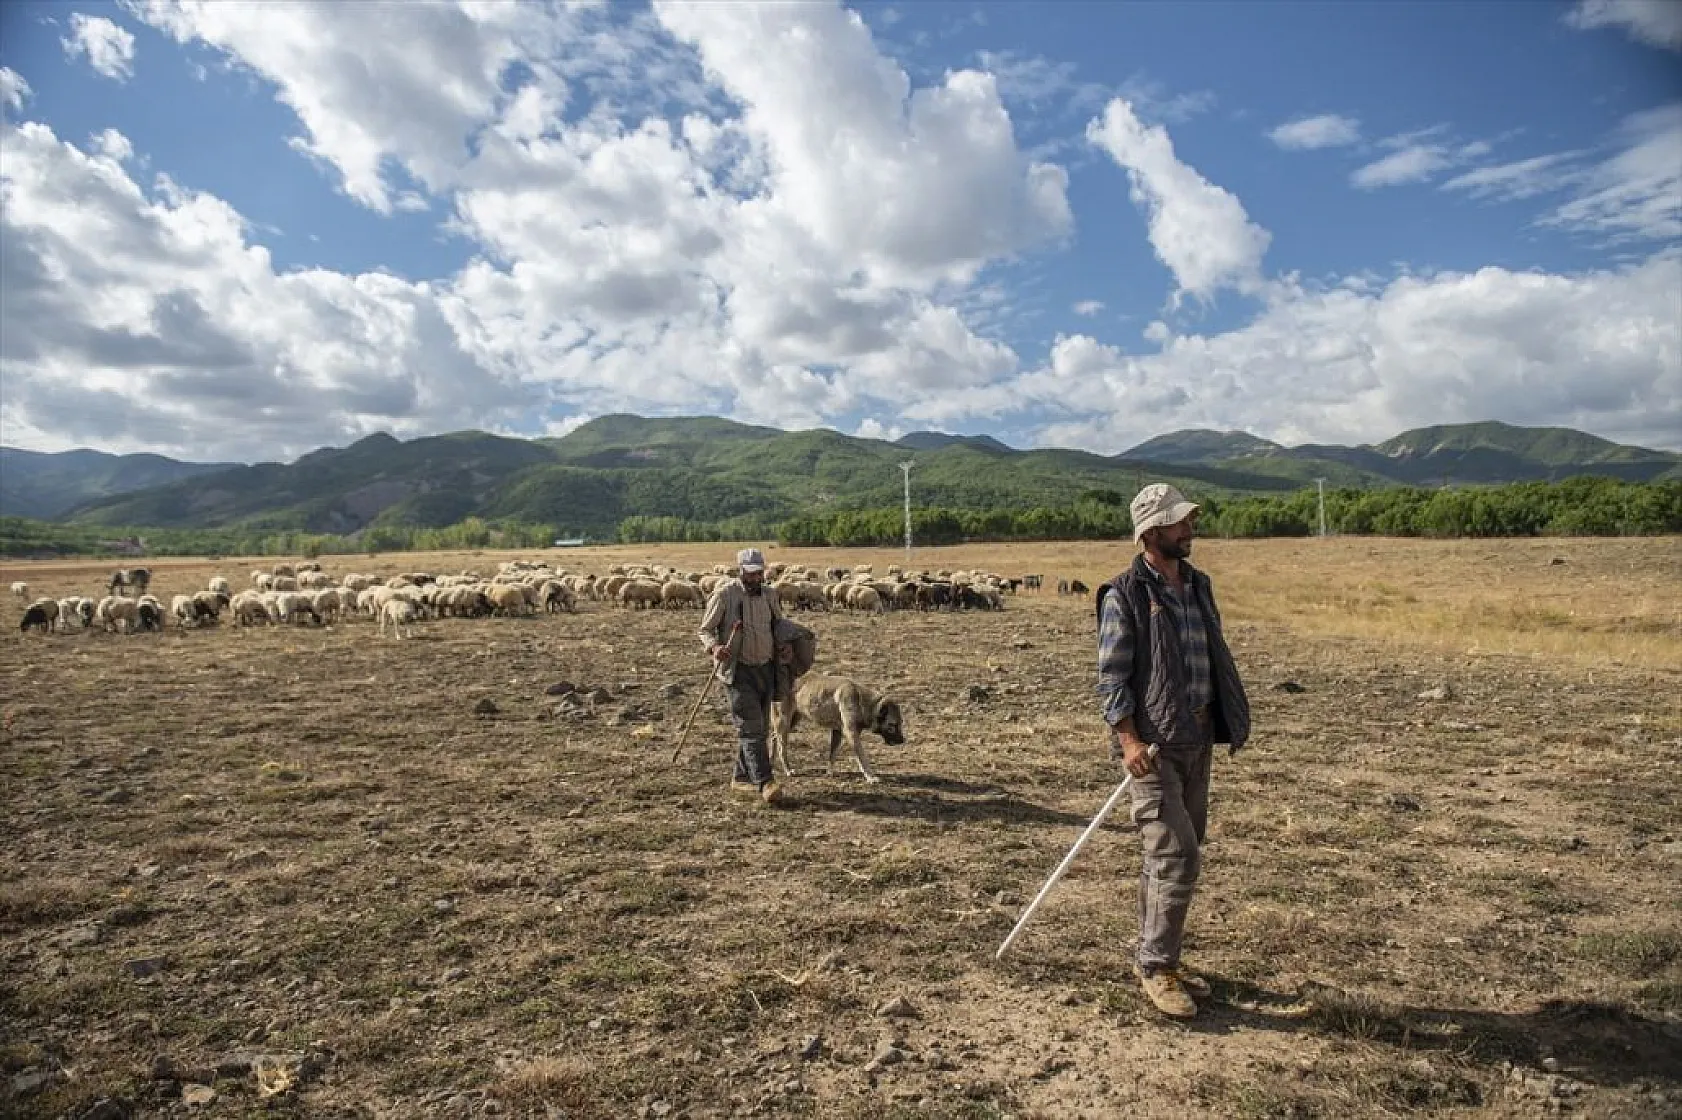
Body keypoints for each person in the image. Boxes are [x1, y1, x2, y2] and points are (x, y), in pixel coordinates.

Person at [1096, 483, 1250, 1019]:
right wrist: (1128, 740)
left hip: (1199, 737)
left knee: (1169, 855)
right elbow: (1113, 677)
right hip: (1153, 749)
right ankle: (1158, 967)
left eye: (1188, 520)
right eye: (1179, 522)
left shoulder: (1198, 585)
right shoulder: (1125, 594)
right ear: (1151, 532)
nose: (1189, 529)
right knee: (1176, 854)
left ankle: (1155, 957)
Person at [699, 547, 787, 805]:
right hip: (739, 671)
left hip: (766, 667)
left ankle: (740, 778)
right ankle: (765, 782)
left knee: (759, 726)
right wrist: (715, 647)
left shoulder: (770, 595)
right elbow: (705, 629)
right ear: (740, 572)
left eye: (758, 573)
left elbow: (778, 625)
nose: (755, 579)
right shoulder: (725, 594)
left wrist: (785, 644)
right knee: (751, 727)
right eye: (750, 574)